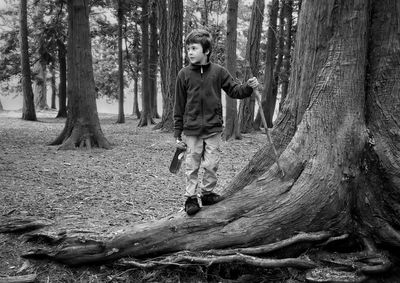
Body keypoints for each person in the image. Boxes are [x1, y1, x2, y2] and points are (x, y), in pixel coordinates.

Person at [173, 29, 259, 215]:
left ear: (206, 51)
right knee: (192, 164)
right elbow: (178, 106)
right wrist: (177, 132)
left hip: (213, 129)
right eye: (188, 48)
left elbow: (235, 90)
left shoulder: (218, 72)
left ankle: (207, 194)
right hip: (192, 130)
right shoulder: (184, 74)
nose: (190, 52)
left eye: (194, 48)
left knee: (212, 163)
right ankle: (190, 198)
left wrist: (248, 88)